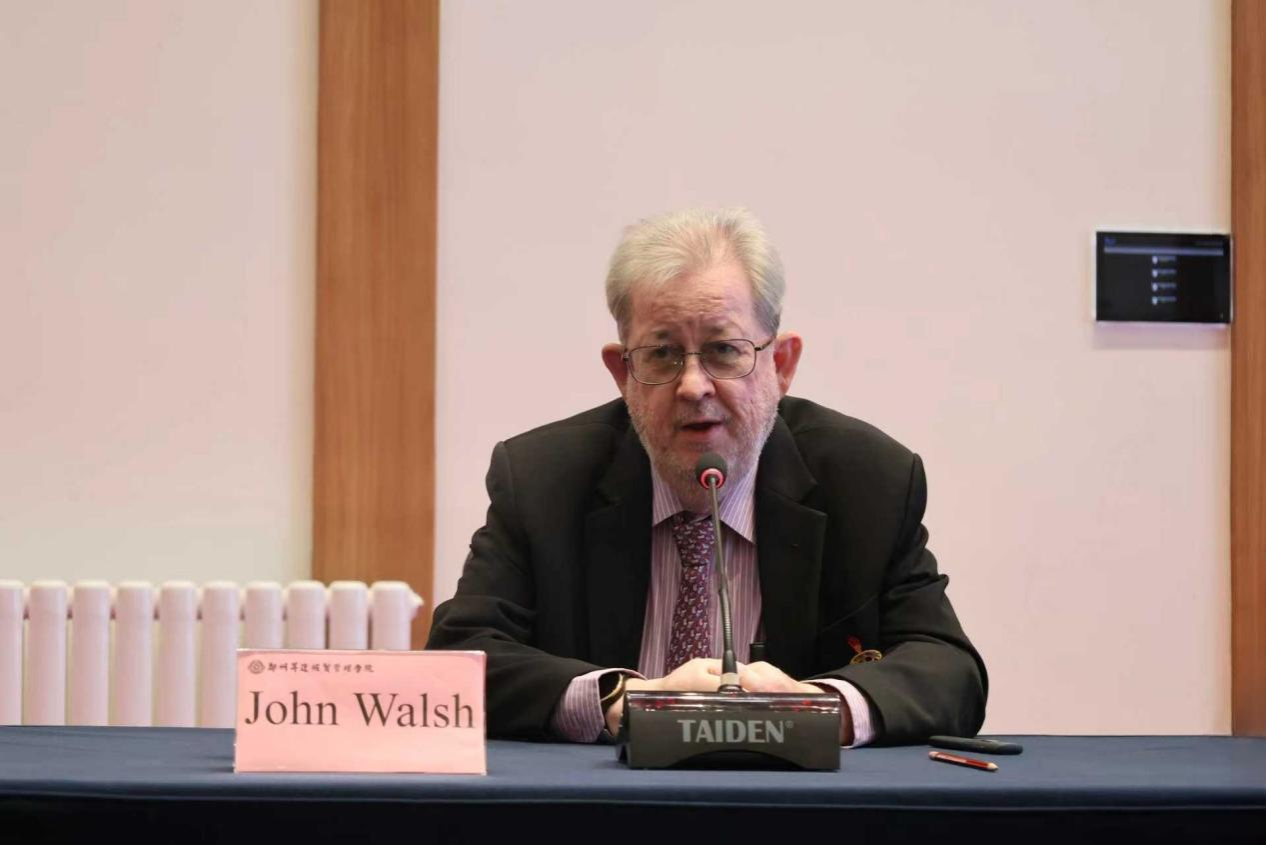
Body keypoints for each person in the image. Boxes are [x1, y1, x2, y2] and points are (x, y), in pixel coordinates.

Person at [427, 208, 986, 746]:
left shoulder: (868, 481)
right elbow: (460, 659)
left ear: (781, 364)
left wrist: (821, 709)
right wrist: (620, 700)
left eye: (723, 350)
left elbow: (948, 668)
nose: (693, 386)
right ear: (623, 372)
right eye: (662, 354)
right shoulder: (542, 480)